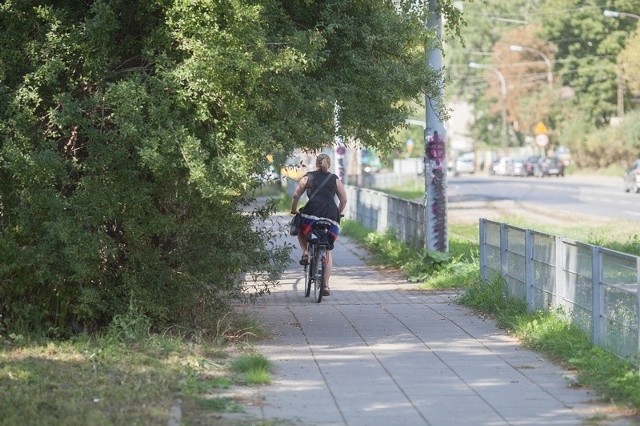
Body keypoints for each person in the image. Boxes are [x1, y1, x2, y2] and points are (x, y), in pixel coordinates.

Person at [290, 153, 347, 296]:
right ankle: (326, 286)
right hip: (331, 214)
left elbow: (296, 195)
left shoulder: (308, 177)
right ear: (330, 164)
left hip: (312, 211)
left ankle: (305, 252)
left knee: (302, 225)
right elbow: (344, 200)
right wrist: (337, 213)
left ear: (316, 164)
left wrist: (293, 210)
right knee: (327, 249)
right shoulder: (335, 180)